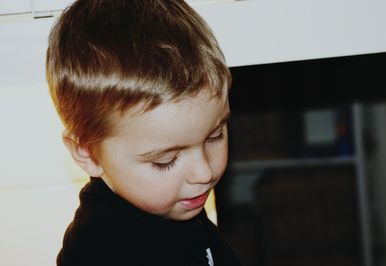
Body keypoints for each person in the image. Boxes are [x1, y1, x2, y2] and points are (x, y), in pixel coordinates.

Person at [46, 0, 241, 265]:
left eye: (215, 136)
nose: (204, 172)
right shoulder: (106, 250)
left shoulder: (168, 204)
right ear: (88, 154)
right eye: (165, 161)